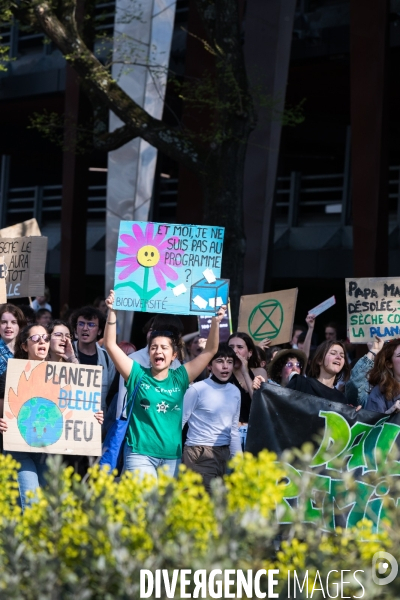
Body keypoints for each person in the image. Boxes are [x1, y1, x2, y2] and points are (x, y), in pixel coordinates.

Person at [103, 290, 226, 480]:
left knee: (163, 509)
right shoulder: (136, 374)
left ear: (174, 355)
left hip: (171, 458)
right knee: (148, 504)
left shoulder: (180, 377)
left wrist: (215, 322)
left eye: (164, 347)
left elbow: (210, 350)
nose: (158, 351)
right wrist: (112, 311)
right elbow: (110, 345)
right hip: (139, 455)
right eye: (154, 347)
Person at [182, 344, 241, 492]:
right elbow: (179, 422)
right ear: (209, 365)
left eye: (229, 362)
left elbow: (233, 430)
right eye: (220, 361)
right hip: (199, 452)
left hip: (224, 454)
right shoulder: (197, 389)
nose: (225, 366)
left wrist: (240, 461)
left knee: (220, 505)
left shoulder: (235, 391)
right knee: (204, 501)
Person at [115, 314, 183, 419]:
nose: (152, 334)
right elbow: (123, 399)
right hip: (136, 425)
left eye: (157, 330)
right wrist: (122, 422)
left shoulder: (176, 364)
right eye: (151, 330)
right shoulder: (133, 360)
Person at [70, 306, 115, 411]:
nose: (85, 328)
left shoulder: (107, 358)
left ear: (99, 331)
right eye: (81, 324)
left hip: (96, 422)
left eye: (91, 325)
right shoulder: (67, 352)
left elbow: (111, 395)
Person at [228, 332, 268, 450]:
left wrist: (245, 371)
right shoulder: (224, 375)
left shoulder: (259, 372)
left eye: (240, 347)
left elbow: (259, 402)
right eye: (231, 347)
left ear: (250, 353)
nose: (235, 351)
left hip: (256, 433)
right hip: (232, 436)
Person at [366, 340, 400, 413]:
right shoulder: (379, 392)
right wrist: (390, 414)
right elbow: (373, 422)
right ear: (389, 364)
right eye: (399, 355)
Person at [0, 304, 26, 376]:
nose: (8, 326)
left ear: (19, 326)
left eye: (13, 322)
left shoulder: (26, 349)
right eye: (4, 322)